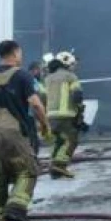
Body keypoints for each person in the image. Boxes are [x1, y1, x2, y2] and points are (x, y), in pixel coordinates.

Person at [0, 40, 51, 221]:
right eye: (20, 52)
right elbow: (35, 104)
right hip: (14, 132)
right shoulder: (22, 75)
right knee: (28, 171)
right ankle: (16, 208)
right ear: (15, 53)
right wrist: (44, 125)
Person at [44, 50, 85, 179]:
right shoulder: (71, 76)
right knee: (72, 140)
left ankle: (54, 170)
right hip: (66, 115)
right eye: (73, 64)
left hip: (50, 116)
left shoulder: (48, 78)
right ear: (67, 64)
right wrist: (79, 110)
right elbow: (77, 95)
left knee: (58, 141)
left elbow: (42, 96)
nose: (74, 66)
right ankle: (60, 165)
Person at [26, 59, 48, 153]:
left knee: (34, 139)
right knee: (32, 140)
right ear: (34, 70)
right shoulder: (31, 81)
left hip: (34, 114)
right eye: (40, 70)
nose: (42, 72)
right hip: (30, 114)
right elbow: (35, 100)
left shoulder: (38, 82)